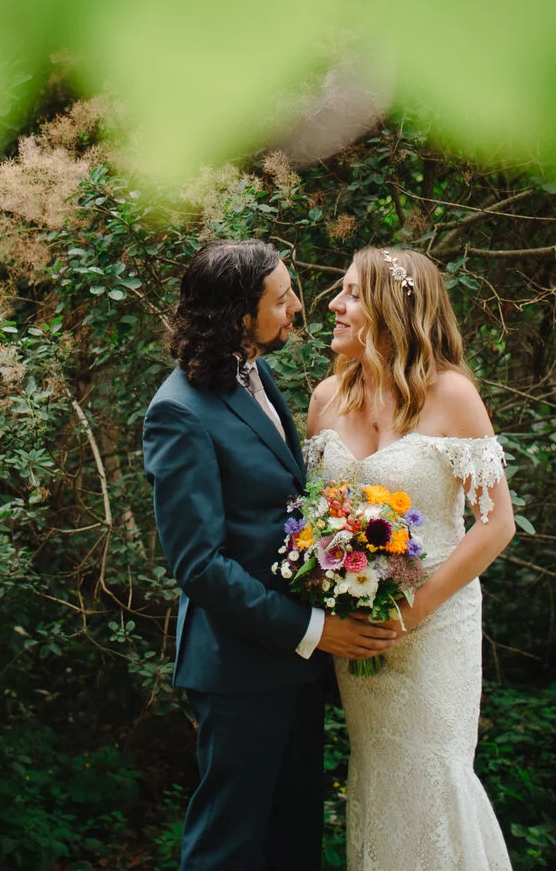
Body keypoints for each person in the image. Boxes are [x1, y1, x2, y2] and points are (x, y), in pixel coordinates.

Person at [143, 238, 399, 871]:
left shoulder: (259, 374)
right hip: (238, 669)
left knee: (291, 841)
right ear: (238, 317)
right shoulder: (178, 412)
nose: (298, 309)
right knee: (228, 847)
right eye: (282, 300)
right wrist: (316, 629)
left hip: (292, 666)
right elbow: (199, 566)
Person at [304, 246, 516, 871]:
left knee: (435, 772)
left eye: (350, 294)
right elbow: (315, 523)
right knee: (379, 777)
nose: (334, 306)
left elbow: (496, 522)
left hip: (436, 627)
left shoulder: (452, 395)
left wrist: (414, 608)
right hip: (360, 631)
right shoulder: (325, 401)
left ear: (392, 307)